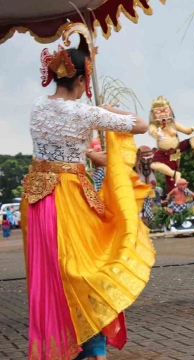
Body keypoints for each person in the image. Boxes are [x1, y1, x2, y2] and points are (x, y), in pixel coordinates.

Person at [21, 23, 155, 360]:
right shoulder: (84, 112)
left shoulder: (38, 106)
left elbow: (58, 146)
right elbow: (141, 125)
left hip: (37, 197)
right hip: (67, 196)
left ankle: (70, 343)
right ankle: (91, 348)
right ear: (82, 80)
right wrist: (108, 112)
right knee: (88, 267)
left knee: (53, 274)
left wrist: (88, 153)